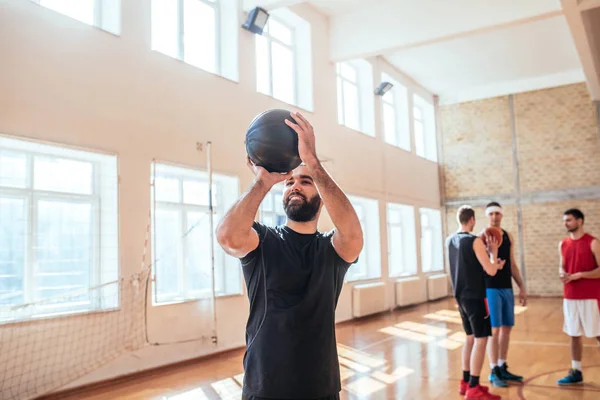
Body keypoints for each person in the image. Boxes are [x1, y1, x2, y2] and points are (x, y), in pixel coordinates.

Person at [216, 111, 363, 400]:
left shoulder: (331, 250)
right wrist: (263, 181)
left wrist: (314, 165)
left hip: (320, 387)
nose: (294, 185)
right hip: (266, 387)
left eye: (305, 182)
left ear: (321, 199)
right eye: (289, 183)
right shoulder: (263, 241)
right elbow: (227, 237)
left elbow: (354, 236)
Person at [446, 205, 505, 400]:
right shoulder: (474, 241)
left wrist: (490, 260)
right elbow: (491, 271)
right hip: (475, 297)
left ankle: (465, 382)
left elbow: (469, 266)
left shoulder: (451, 240)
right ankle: (474, 387)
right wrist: (494, 253)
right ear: (471, 220)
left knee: (470, 337)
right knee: (481, 339)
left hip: (460, 296)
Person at [483, 202, 526, 387]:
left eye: (497, 213)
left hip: (506, 287)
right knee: (495, 330)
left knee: (507, 328)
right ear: (487, 216)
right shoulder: (482, 237)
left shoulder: (508, 236)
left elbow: (512, 263)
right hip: (490, 288)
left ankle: (502, 366)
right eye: (491, 213)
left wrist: (522, 287)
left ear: (501, 215)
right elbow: (481, 265)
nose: (494, 216)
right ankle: (493, 371)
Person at [557, 208, 600, 385]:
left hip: (590, 296)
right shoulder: (563, 244)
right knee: (573, 334)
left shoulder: (593, 242)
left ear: (580, 221)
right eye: (565, 220)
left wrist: (580, 275)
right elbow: (562, 266)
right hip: (570, 296)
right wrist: (562, 273)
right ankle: (576, 371)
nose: (565, 223)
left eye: (569, 220)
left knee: (598, 333)